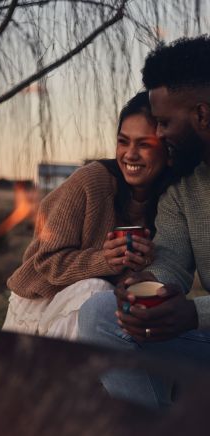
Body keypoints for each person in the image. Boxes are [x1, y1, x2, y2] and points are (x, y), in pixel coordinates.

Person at [78, 35, 210, 410]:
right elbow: (169, 260)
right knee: (100, 314)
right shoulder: (184, 187)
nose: (160, 133)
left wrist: (195, 313)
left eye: (164, 122)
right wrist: (145, 287)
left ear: (202, 114)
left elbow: (195, 314)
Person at [2, 91, 174, 340]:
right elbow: (46, 262)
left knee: (105, 303)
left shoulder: (172, 199)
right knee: (97, 292)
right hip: (39, 303)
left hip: (96, 309)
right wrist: (104, 260)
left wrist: (145, 264)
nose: (130, 154)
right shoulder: (91, 181)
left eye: (144, 144)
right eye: (123, 141)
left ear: (167, 151)